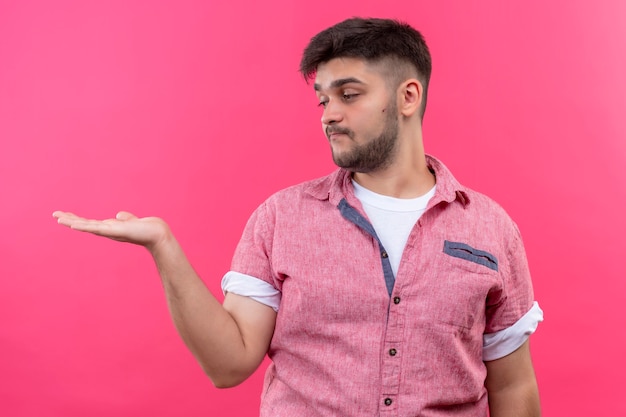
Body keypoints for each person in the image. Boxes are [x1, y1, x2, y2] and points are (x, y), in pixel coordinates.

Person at [54, 17, 543, 416]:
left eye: (349, 95)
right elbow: (229, 365)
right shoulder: (280, 218)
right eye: (323, 99)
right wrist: (163, 246)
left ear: (408, 97)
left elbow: (514, 388)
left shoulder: (491, 228)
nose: (329, 114)